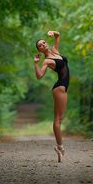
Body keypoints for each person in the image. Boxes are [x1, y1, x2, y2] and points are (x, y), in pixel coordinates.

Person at [34, 31, 69, 162]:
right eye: (40, 45)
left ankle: (60, 147)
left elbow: (58, 35)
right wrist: (36, 63)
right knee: (58, 119)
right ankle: (60, 147)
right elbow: (39, 76)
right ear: (40, 50)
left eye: (43, 42)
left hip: (63, 87)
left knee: (60, 118)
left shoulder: (55, 50)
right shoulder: (47, 61)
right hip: (59, 87)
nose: (43, 44)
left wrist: (52, 32)